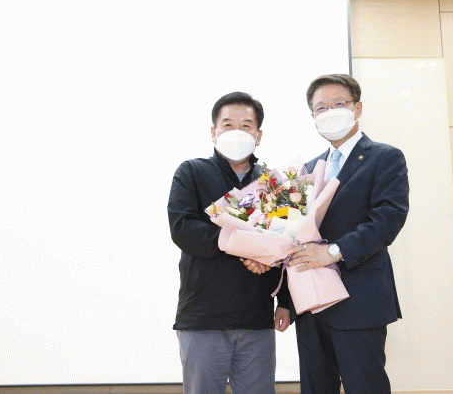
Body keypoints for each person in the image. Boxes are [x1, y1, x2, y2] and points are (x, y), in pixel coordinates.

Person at [288, 74, 409, 394]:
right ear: (313, 116)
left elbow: (388, 219)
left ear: (358, 108)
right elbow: (293, 234)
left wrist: (332, 252)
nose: (330, 112)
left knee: (364, 386)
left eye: (339, 104)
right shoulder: (309, 168)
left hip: (360, 301)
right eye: (321, 108)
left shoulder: (385, 157)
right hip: (311, 303)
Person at [168, 91, 291, 394]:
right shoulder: (192, 172)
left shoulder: (273, 183)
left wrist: (286, 302)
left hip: (257, 317)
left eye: (246, 125)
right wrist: (249, 248)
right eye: (227, 125)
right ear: (214, 132)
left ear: (258, 135)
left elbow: (287, 241)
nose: (237, 131)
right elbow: (183, 229)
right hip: (204, 317)